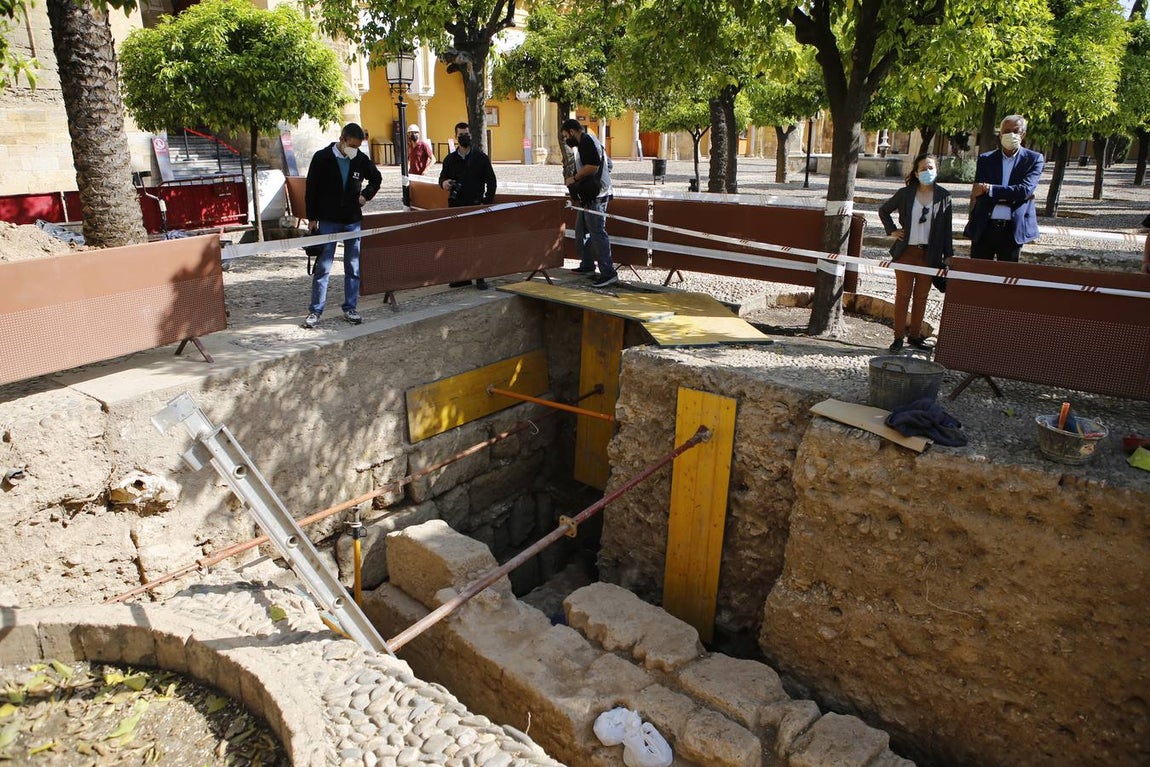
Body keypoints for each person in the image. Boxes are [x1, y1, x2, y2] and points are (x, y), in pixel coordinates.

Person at [303, 123, 382, 329]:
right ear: (342, 139)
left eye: (358, 146)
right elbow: (311, 189)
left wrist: (365, 195)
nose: (354, 150)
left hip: (352, 220)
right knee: (323, 267)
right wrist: (312, 218)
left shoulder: (360, 159)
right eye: (352, 145)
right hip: (328, 220)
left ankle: (350, 307)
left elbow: (376, 178)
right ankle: (316, 310)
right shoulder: (322, 158)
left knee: (353, 267)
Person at [878, 153, 954, 353]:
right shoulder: (905, 193)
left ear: (936, 170)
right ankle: (898, 337)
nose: (927, 172)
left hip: (930, 255)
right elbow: (884, 210)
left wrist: (948, 255)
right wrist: (892, 230)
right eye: (923, 169)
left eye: (931, 168)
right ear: (916, 172)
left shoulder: (944, 196)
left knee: (921, 297)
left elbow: (947, 228)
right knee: (903, 295)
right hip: (906, 252)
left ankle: (915, 336)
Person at [963, 115, 1044, 262]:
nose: (1011, 135)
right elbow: (979, 193)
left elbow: (1024, 191)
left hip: (1012, 230)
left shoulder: (1034, 159)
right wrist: (1012, 194)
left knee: (1007, 277)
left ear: (1023, 134)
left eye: (1016, 131)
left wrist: (991, 189)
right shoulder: (986, 159)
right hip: (984, 227)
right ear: (1000, 134)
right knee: (978, 276)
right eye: (1006, 131)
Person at [438, 122, 497, 290]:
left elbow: (491, 181)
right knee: (458, 243)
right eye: (461, 135)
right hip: (456, 207)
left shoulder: (481, 158)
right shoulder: (450, 159)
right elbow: (441, 179)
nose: (464, 137)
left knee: (477, 243)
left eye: (466, 134)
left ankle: (480, 277)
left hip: (475, 206)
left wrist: (487, 202)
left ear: (471, 136)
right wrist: (445, 183)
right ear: (456, 136)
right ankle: (462, 277)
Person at [560, 118, 617, 289]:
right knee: (581, 230)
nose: (566, 140)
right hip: (591, 195)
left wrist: (574, 179)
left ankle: (608, 273)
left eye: (565, 136)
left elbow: (593, 166)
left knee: (597, 233)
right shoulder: (590, 140)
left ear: (572, 131)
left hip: (597, 196)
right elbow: (609, 164)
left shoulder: (586, 141)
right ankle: (587, 265)